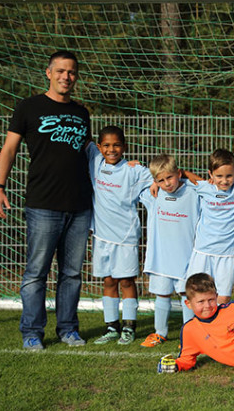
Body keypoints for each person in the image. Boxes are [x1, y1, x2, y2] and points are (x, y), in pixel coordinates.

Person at [0, 51, 92, 350]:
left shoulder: (81, 112)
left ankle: (68, 329)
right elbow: (9, 150)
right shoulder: (29, 107)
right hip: (43, 204)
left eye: (72, 72)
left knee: (72, 274)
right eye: (60, 71)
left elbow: (91, 154)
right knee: (36, 273)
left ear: (76, 76)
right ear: (48, 72)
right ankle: (32, 332)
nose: (66, 77)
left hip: (80, 205)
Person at [86, 126, 153, 345]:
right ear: (99, 148)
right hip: (101, 237)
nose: (111, 149)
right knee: (108, 281)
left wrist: (143, 168)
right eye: (106, 145)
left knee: (126, 281)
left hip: (125, 238)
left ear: (124, 147)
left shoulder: (133, 171)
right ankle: (111, 326)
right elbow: (82, 138)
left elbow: (160, 175)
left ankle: (129, 326)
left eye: (116, 145)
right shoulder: (94, 160)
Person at [138, 154, 200, 347]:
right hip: (161, 259)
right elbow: (133, 179)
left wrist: (187, 175)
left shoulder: (193, 192)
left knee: (185, 295)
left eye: (170, 178)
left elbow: (207, 183)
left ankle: (189, 333)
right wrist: (144, 175)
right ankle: (160, 333)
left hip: (186, 258)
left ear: (178, 174)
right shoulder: (153, 194)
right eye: (161, 180)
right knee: (162, 295)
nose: (166, 183)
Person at [185, 149, 234, 305]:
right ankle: (191, 327)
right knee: (194, 293)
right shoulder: (205, 187)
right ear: (210, 174)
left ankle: (218, 329)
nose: (224, 181)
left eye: (229, 176)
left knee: (223, 298)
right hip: (203, 250)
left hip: (226, 253)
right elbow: (179, 174)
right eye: (219, 176)